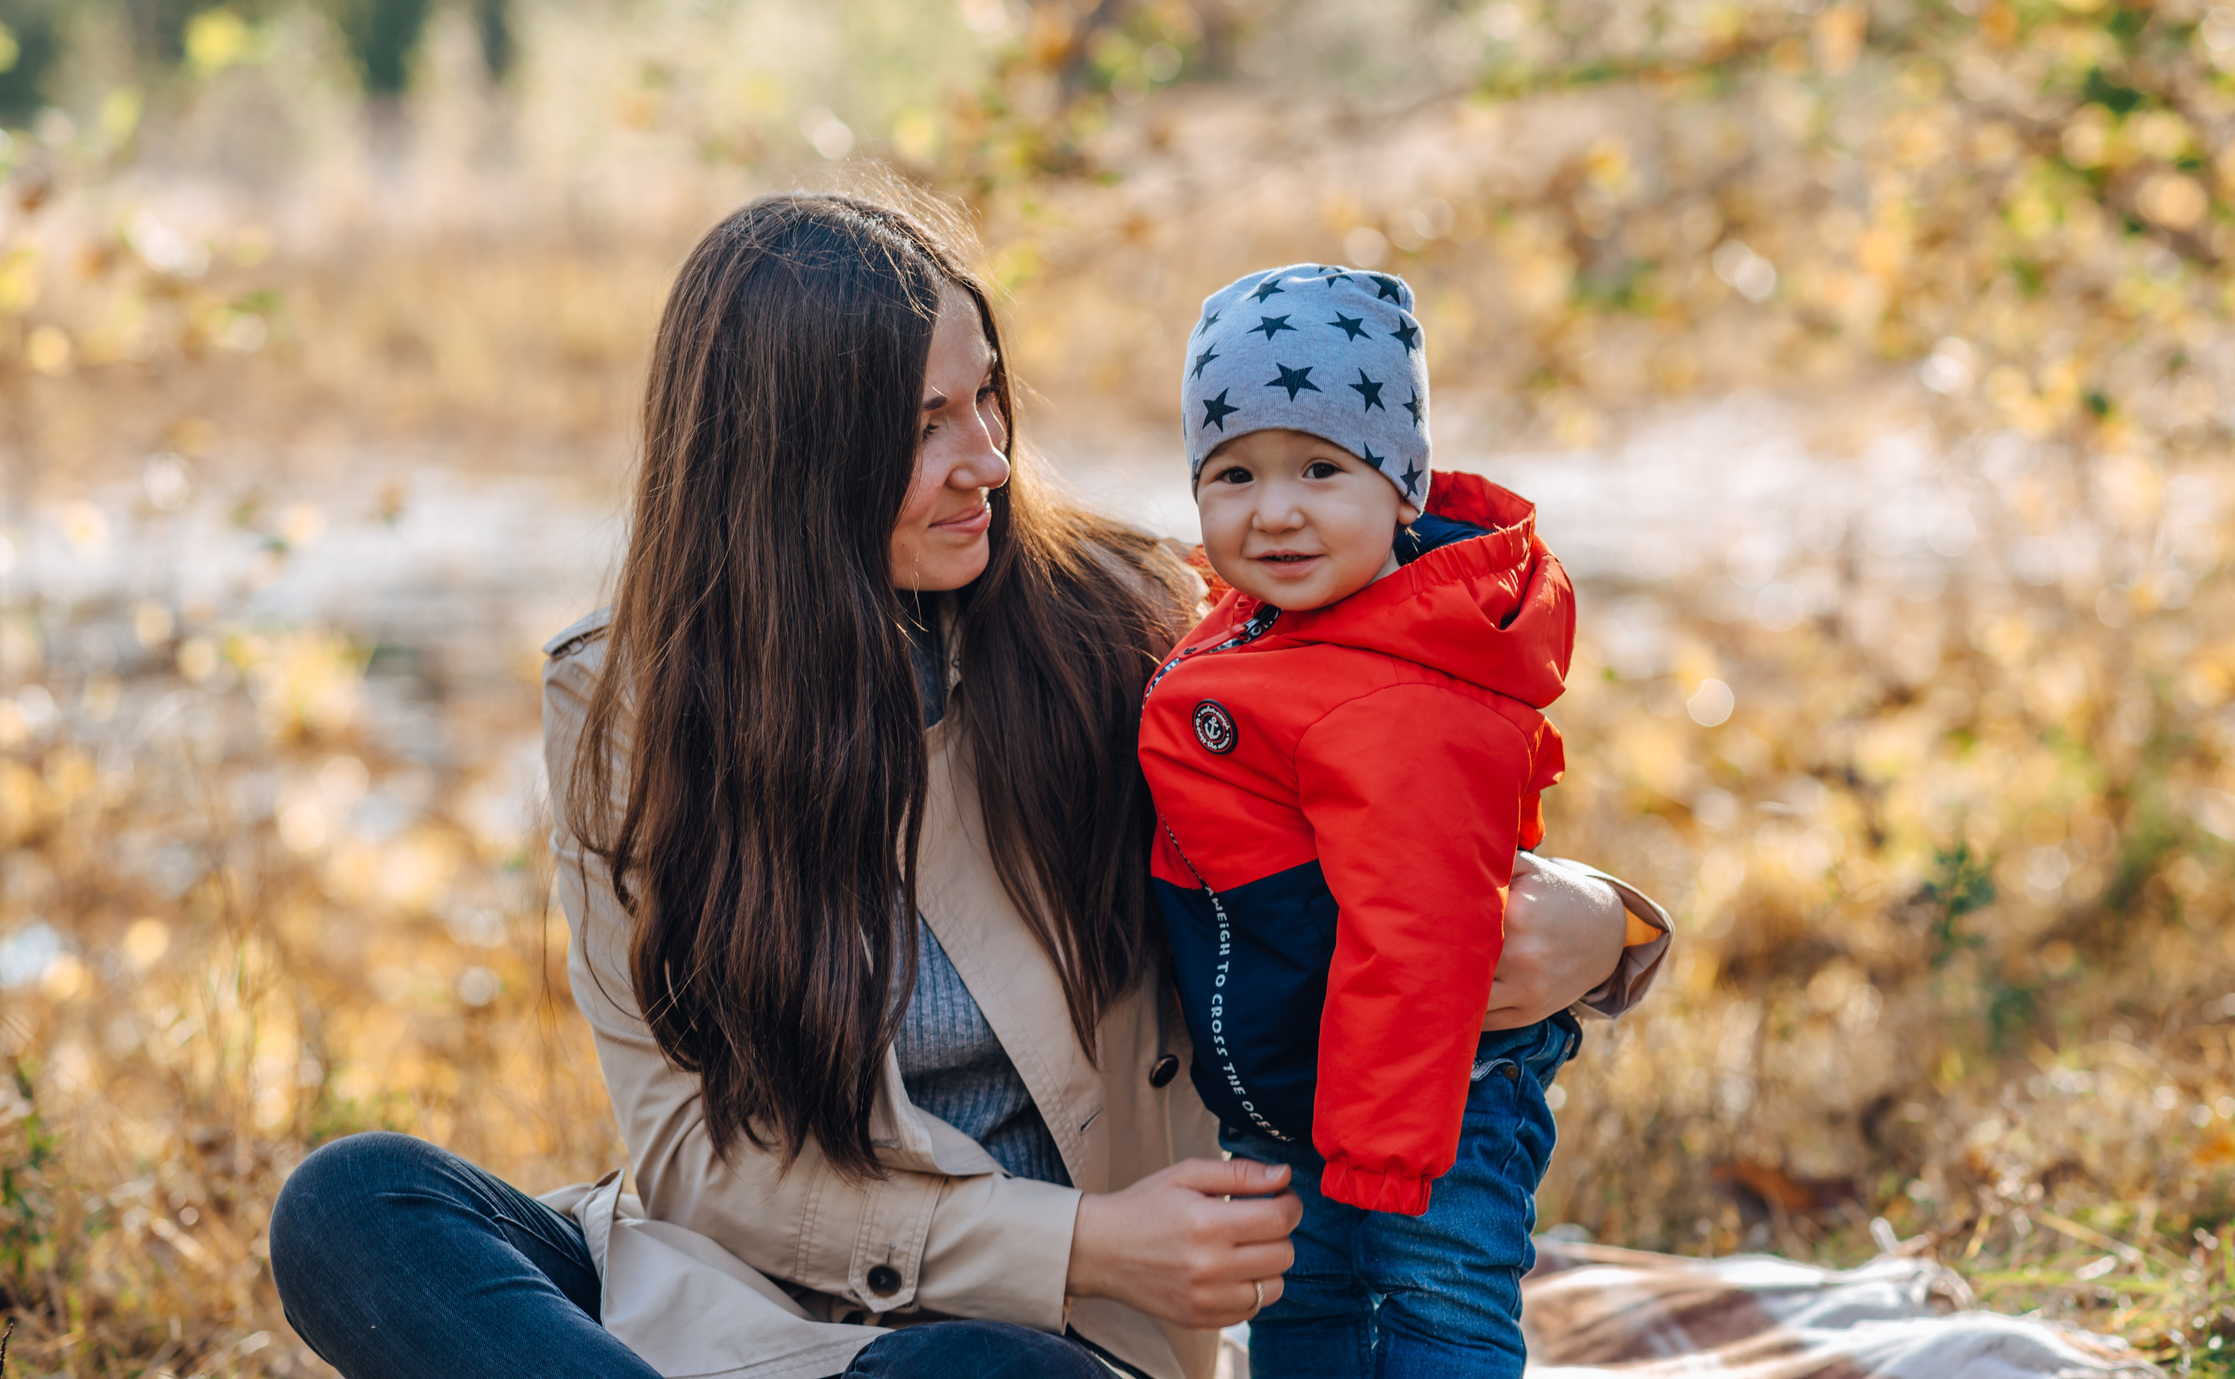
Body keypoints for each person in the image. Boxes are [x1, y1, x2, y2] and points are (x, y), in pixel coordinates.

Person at [267, 194, 1668, 1379]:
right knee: (352, 1204)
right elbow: (687, 1153)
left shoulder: (1124, 619)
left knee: (969, 1371)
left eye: (987, 395)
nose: (987, 458)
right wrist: (1072, 1236)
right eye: (927, 423)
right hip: (723, 1299)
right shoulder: (629, 705)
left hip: (1038, 1338)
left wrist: (1609, 926)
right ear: (794, 455)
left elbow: (1414, 781)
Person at [1145, 265, 1633, 1379]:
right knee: (1305, 1307)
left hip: (1431, 1097)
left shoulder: (1401, 690)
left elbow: (1420, 934)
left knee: (1432, 1302)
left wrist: (1376, 1158)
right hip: (1314, 1082)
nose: (1274, 508)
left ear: (1401, 485)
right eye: (1234, 473)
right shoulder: (1259, 628)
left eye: (1320, 467)